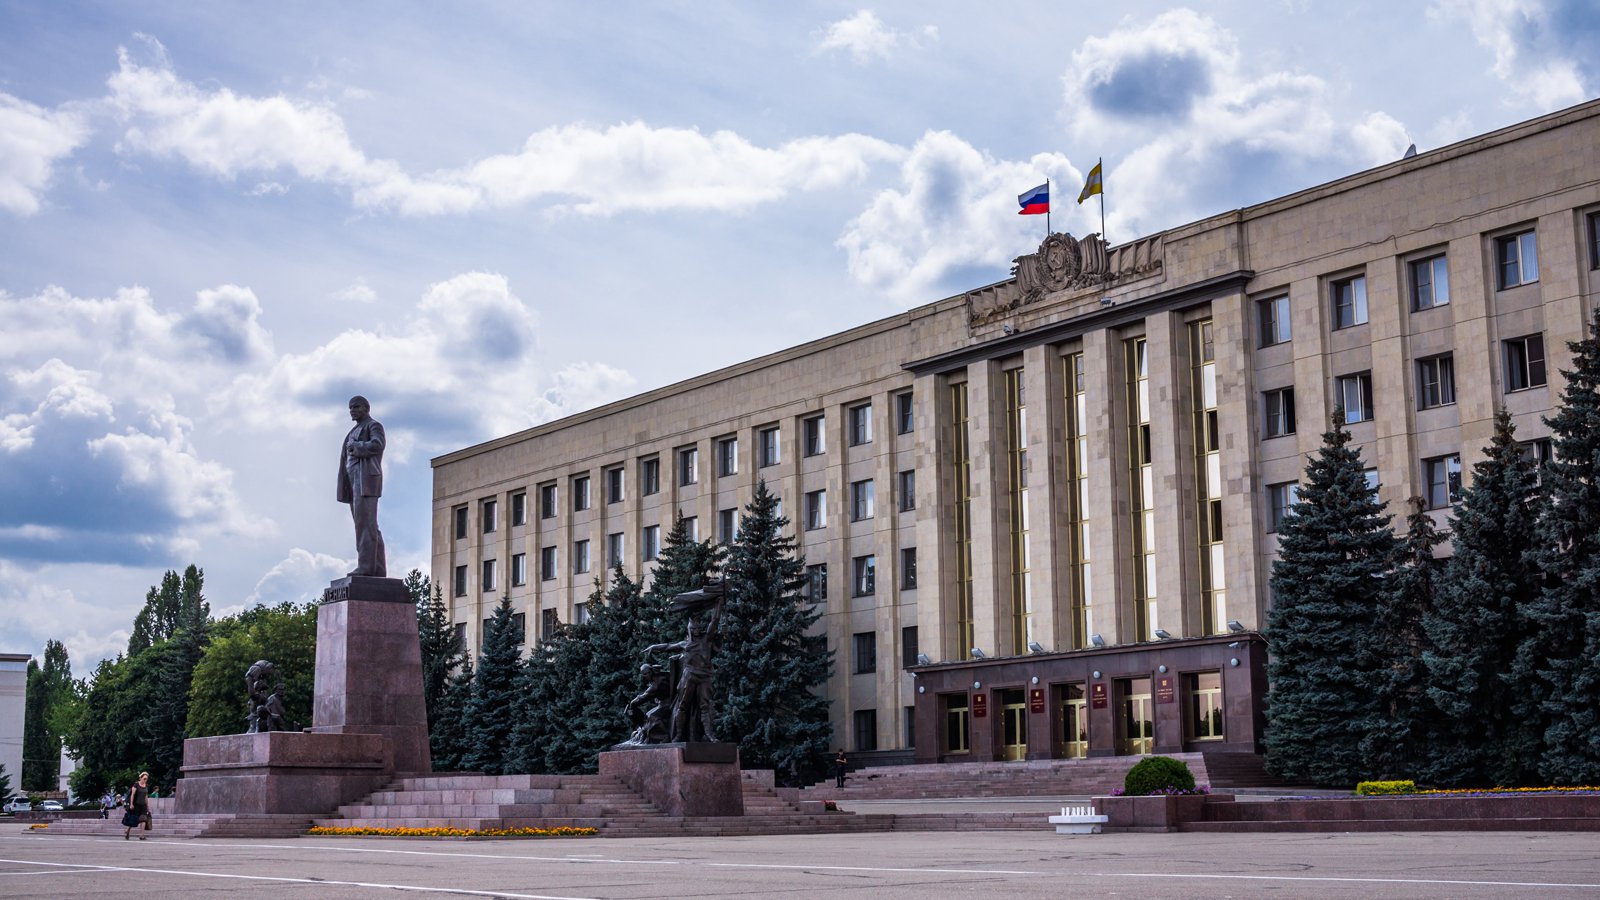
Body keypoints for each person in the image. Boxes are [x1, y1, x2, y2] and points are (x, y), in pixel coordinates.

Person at [337, 395, 387, 577]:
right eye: (350, 407)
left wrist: (356, 447)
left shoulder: (373, 426)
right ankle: (378, 569)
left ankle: (366, 567)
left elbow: (378, 444)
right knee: (368, 525)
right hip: (353, 483)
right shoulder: (353, 430)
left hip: (366, 481)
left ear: (366, 408)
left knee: (365, 525)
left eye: (356, 407)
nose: (352, 410)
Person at [122, 771, 151, 840]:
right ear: (140, 778)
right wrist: (131, 804)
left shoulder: (146, 786)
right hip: (136, 805)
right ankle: (127, 831)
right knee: (133, 820)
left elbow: (146, 797)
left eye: (146, 779)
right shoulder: (136, 785)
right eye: (144, 778)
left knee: (143, 819)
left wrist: (147, 806)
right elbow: (132, 795)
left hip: (143, 805)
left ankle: (142, 835)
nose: (145, 780)